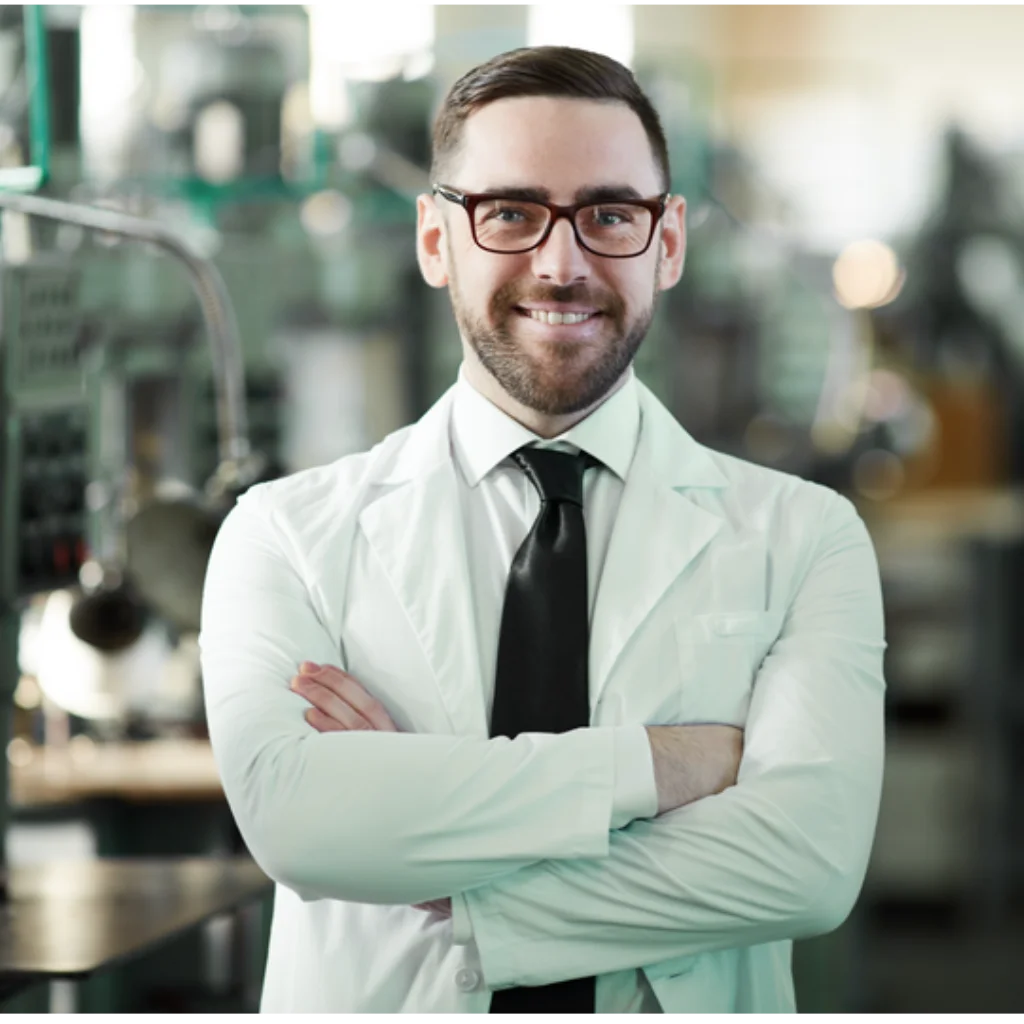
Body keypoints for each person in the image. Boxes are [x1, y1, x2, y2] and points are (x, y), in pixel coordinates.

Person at [199, 45, 886, 1016]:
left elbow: (807, 864)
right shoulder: (286, 535)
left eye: (608, 214)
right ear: (436, 238)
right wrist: (661, 764)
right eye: (511, 213)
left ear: (669, 241)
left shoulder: (803, 536)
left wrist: (448, 863)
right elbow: (301, 826)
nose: (560, 266)